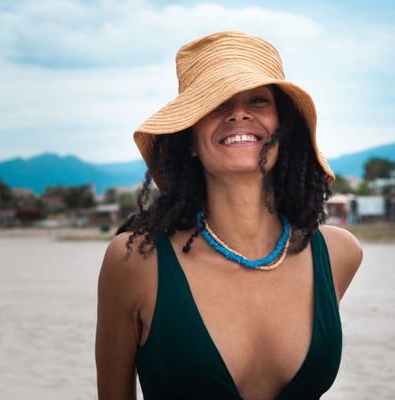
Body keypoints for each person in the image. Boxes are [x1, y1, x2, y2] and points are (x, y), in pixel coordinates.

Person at [96, 31, 363, 400]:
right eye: (217, 102)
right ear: (188, 138)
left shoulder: (338, 254)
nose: (239, 113)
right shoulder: (135, 263)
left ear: (282, 128)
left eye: (258, 100)